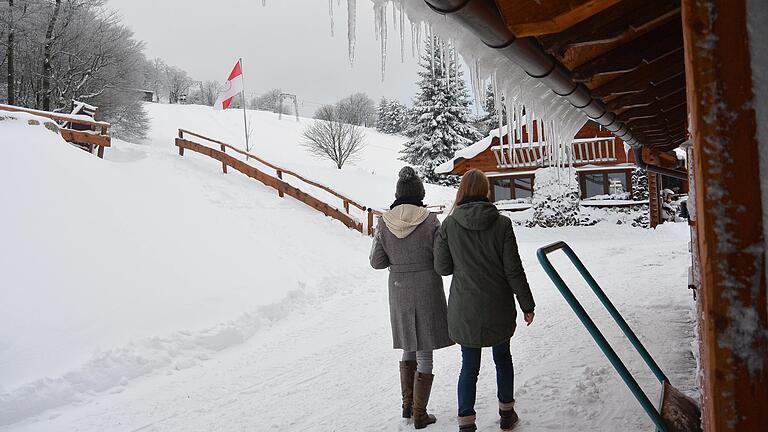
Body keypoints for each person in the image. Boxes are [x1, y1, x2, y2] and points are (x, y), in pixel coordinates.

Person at [433, 169, 536, 432]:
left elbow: (443, 268)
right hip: (498, 305)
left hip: (465, 308)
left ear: (462, 190)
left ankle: (466, 423)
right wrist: (527, 304)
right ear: (485, 190)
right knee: (503, 359)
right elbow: (514, 268)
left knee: (469, 367)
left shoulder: (450, 225)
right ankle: (507, 414)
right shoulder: (502, 224)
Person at [370, 166, 454, 429]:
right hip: (427, 285)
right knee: (424, 347)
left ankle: (407, 406)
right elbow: (441, 261)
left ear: (397, 193)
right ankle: (420, 413)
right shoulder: (430, 220)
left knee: (409, 342)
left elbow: (376, 262)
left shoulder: (384, 221)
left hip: (399, 287)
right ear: (420, 193)